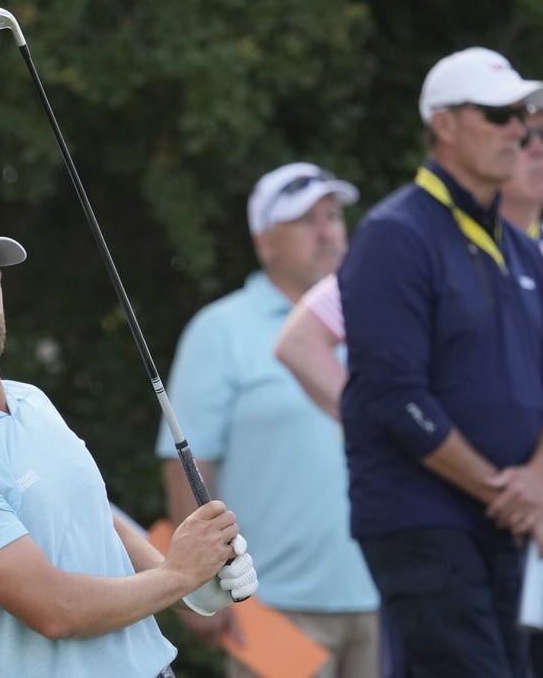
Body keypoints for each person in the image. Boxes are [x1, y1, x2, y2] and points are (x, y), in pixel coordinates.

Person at [0, 211, 258, 678]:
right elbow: (56, 610)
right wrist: (176, 574)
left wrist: (190, 587)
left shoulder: (30, 400)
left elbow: (99, 523)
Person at [338, 46, 543, 676]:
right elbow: (394, 395)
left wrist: (534, 477)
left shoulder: (521, 248)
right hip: (421, 519)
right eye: (499, 114)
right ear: (444, 123)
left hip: (507, 520)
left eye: (524, 114)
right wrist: (503, 489)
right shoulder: (394, 235)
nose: (521, 129)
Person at [155, 163, 381, 678]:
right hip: (275, 609)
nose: (326, 230)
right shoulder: (219, 330)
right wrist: (201, 582)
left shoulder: (382, 316)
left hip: (386, 596)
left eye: (332, 215)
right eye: (305, 220)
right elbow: (186, 474)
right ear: (264, 241)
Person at [275, 107, 543, 423]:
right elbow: (300, 342)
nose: (537, 148)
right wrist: (393, 431)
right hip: (457, 468)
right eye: (525, 138)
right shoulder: (419, 244)